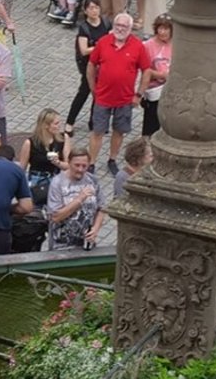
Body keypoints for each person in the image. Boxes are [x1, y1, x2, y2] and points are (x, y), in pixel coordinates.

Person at [89, 14, 153, 174]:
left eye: (124, 26)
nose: (120, 28)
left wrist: (139, 94)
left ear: (130, 29)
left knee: (119, 131)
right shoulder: (103, 43)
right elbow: (91, 65)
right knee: (97, 131)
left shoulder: (138, 46)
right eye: (118, 25)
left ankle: (112, 159)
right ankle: (91, 162)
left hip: (125, 99)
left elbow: (146, 71)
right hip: (102, 97)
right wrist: (93, 89)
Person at [47, 148, 105, 251]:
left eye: (84, 166)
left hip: (86, 243)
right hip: (61, 246)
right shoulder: (57, 183)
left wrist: (96, 229)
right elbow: (55, 217)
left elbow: (101, 208)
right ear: (69, 163)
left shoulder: (92, 180)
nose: (80, 169)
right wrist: (79, 199)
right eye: (77, 165)